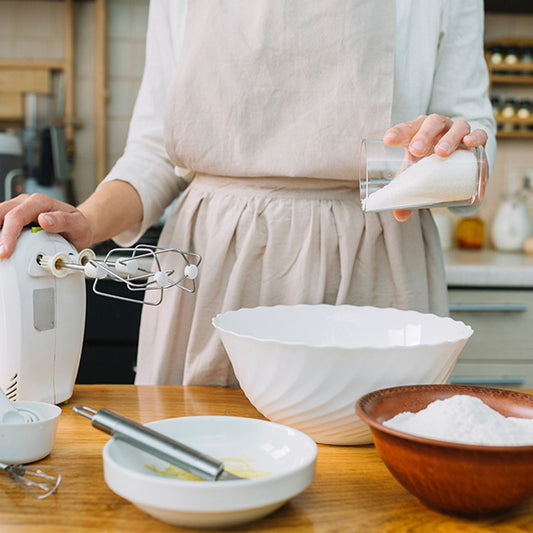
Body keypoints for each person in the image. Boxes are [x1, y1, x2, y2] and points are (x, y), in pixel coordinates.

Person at [0, 1, 496, 385]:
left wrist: (451, 144)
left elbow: (474, 138)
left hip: (376, 274)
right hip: (211, 274)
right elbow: (157, 150)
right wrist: (84, 222)